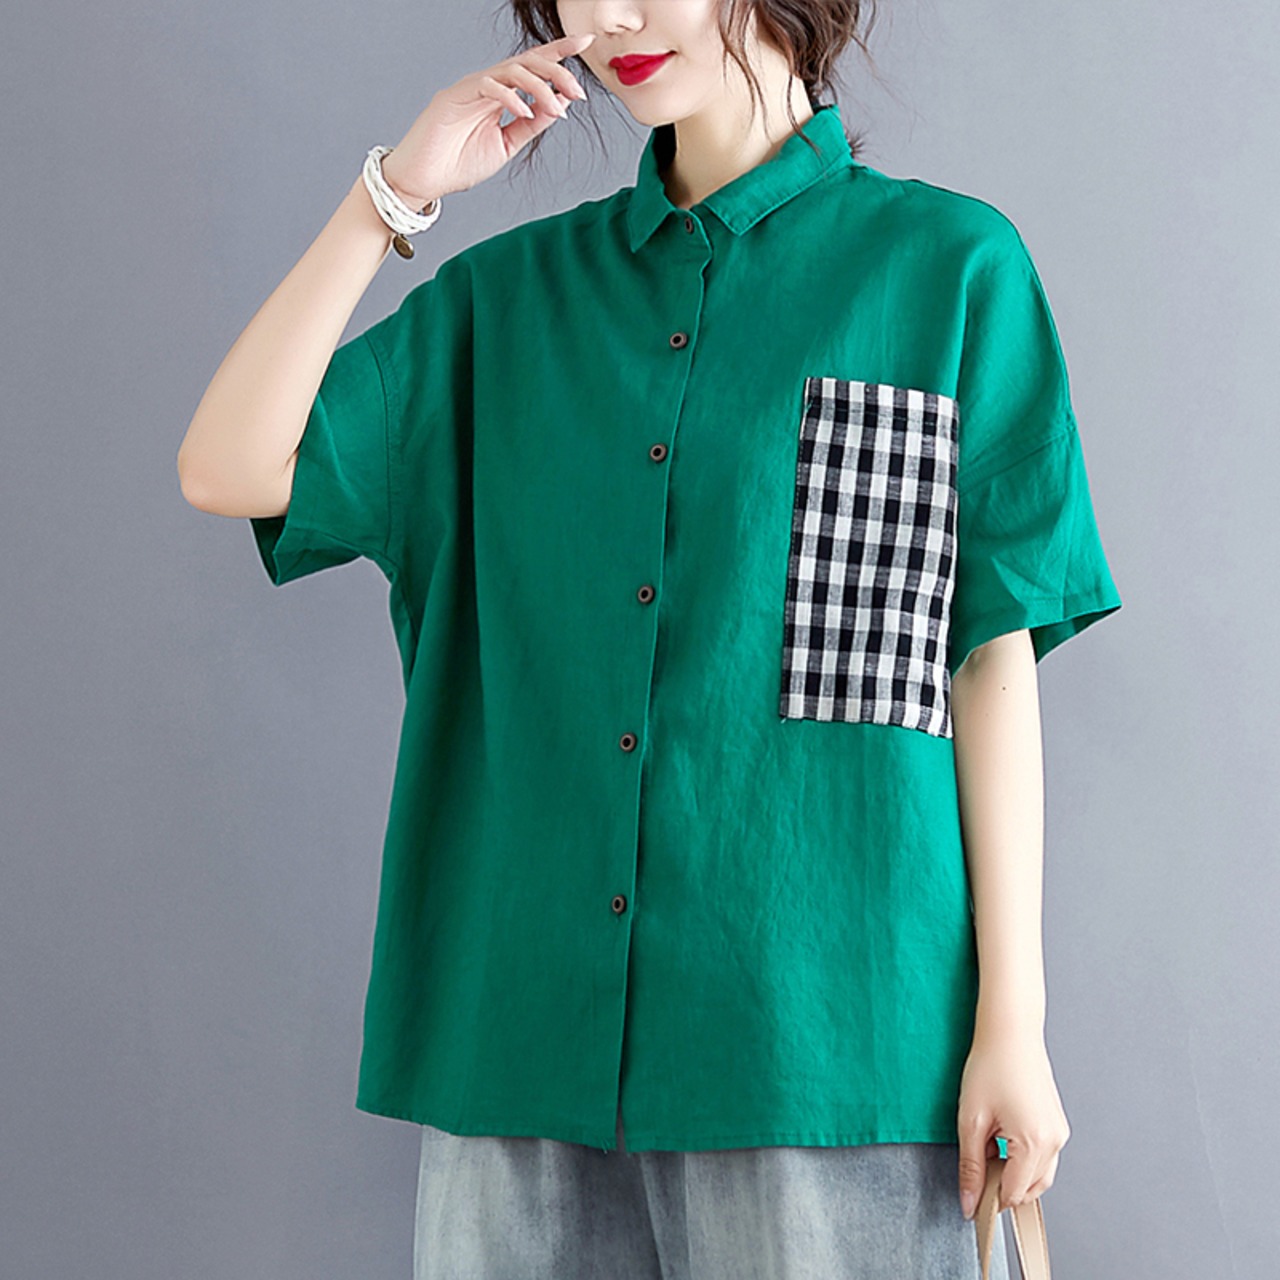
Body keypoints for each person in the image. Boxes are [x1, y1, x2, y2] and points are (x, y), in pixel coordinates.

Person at [177, 2, 1122, 1276]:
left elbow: (984, 658)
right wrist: (390, 195)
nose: (608, 15)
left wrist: (1012, 1019)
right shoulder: (506, 304)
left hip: (822, 1047)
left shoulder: (945, 269)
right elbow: (229, 466)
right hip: (522, 1049)